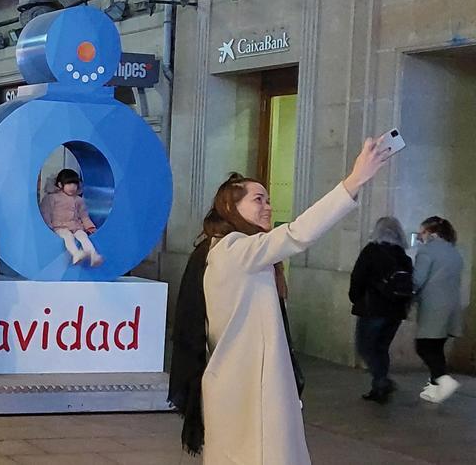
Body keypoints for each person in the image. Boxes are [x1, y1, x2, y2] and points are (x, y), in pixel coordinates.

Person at [169, 138, 391, 463]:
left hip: (243, 385)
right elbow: (297, 234)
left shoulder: (228, 250)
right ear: (231, 207)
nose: (268, 207)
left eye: (269, 199)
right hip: (248, 390)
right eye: (258, 199)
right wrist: (353, 181)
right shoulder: (234, 248)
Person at [348, 216, 413, 403]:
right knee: (381, 348)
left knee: (365, 348)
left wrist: (355, 298)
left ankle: (382, 381)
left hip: (373, 309)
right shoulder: (403, 256)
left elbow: (358, 277)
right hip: (396, 312)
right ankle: (379, 387)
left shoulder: (371, 251)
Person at [413, 216, 465, 403]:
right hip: (451, 306)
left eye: (422, 233)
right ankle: (436, 388)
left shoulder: (427, 251)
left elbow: (418, 280)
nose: (420, 237)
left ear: (431, 233)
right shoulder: (454, 252)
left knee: (424, 347)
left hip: (432, 306)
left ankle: (443, 379)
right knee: (436, 347)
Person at [40, 168, 102, 266]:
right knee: (68, 237)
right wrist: (48, 226)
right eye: (69, 184)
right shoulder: (52, 198)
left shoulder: (78, 200)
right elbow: (46, 212)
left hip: (76, 226)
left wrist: (89, 227)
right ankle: (76, 254)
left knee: (83, 236)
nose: (72, 187)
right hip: (59, 226)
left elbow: (83, 215)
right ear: (60, 185)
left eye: (75, 184)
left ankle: (93, 254)